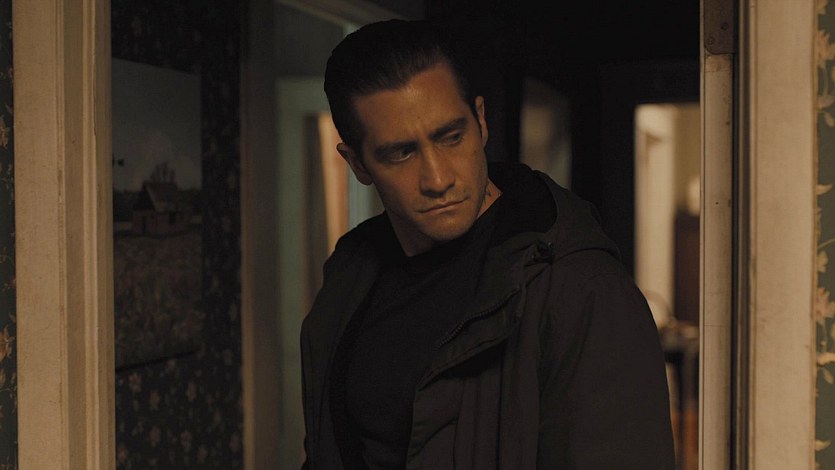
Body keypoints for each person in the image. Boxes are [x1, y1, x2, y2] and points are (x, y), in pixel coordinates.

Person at [300, 19, 675, 469]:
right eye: (401, 153)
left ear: (480, 122)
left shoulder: (579, 288)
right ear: (358, 164)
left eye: (451, 137)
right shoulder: (351, 273)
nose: (438, 179)